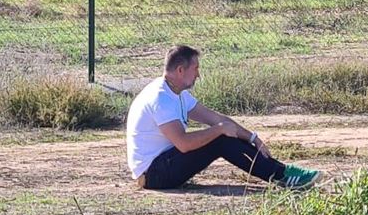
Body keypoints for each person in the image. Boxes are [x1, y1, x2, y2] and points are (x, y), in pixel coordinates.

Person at [125, 45, 323, 190]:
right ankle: (283, 176)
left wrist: (252, 137)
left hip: (165, 165)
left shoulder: (177, 93)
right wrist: (219, 129)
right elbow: (184, 144)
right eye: (195, 69)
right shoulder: (160, 98)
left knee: (221, 134)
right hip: (154, 175)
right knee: (220, 139)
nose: (198, 75)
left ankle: (282, 172)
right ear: (180, 70)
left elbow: (216, 118)